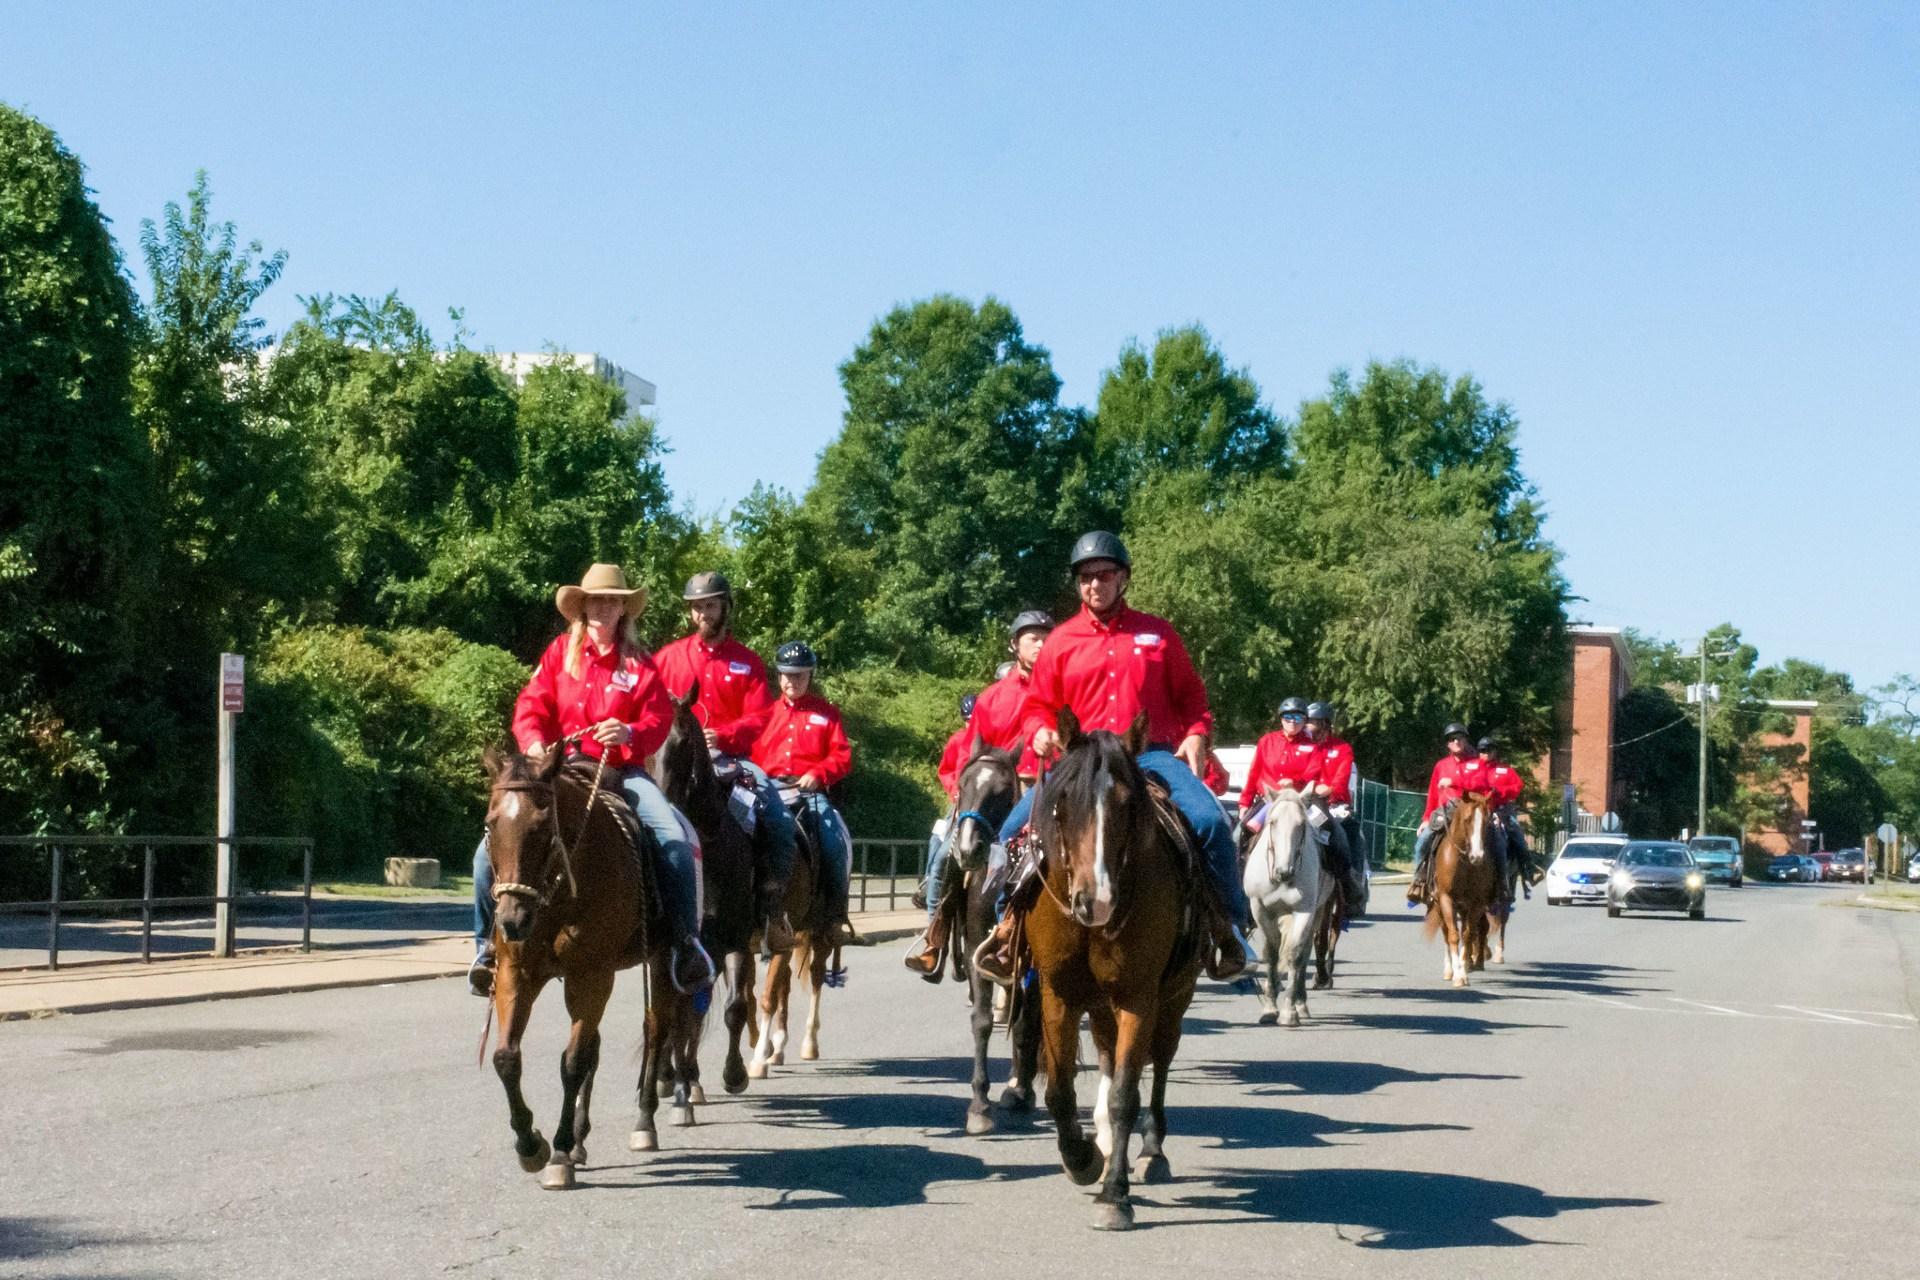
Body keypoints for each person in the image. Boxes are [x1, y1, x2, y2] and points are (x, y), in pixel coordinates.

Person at [974, 531, 1252, 984]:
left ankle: (1228, 929)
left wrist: (1198, 733)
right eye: (1085, 578)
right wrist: (1038, 731)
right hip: (1079, 763)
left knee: (1210, 822)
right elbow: (1037, 706)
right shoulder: (1061, 641)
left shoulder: (1159, 635)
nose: (1094, 585)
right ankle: (1007, 933)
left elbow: (1193, 699)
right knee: (1008, 833)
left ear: (1123, 578)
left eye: (1104, 575)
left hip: (1149, 757)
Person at [470, 563, 713, 997]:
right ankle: (487, 949)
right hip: (558, 772)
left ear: (624, 610)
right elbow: (530, 708)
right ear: (582, 608)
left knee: (674, 839)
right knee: (485, 853)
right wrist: (533, 744)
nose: (604, 607)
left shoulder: (640, 665)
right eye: (596, 600)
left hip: (622, 771)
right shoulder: (558, 655)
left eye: (613, 600)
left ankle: (683, 944)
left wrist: (630, 733)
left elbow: (658, 718)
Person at [653, 571, 799, 951]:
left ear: (725, 608)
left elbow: (760, 717)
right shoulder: (667, 658)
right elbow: (648, 708)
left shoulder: (746, 661)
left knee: (779, 821)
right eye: (697, 607)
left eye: (711, 606)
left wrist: (725, 735)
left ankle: (769, 909)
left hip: (732, 759)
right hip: (676, 760)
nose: (704, 613)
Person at [905, 611, 1054, 974]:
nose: (1040, 643)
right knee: (946, 856)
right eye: (1032, 637)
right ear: (1014, 645)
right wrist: (964, 791)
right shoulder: (992, 699)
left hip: (1048, 786)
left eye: (1046, 636)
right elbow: (967, 756)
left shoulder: (1063, 690)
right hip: (993, 795)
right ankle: (935, 938)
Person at [750, 641, 857, 948]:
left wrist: (818, 774)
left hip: (807, 791)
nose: (791, 681)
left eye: (798, 675)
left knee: (833, 838)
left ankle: (835, 916)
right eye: (785, 674)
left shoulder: (827, 714)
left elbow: (842, 756)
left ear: (810, 675)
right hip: (766, 790)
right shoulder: (764, 713)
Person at [1407, 722, 1494, 905]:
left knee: (1498, 841)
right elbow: (1432, 794)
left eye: (1460, 738)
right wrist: (1425, 819)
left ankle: (1501, 886)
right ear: (1448, 744)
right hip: (1445, 811)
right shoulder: (1441, 766)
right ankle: (1419, 882)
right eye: (1452, 739)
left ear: (1465, 740)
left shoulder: (1476, 764)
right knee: (1422, 842)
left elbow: (1480, 784)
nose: (1456, 741)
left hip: (1470, 808)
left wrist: (1454, 781)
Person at [1306, 701, 1370, 907]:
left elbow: (1342, 780)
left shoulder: (1342, 748)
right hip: (1305, 801)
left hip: (1335, 804)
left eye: (1311, 722)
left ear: (1324, 724)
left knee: (1351, 835)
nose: (1307, 726)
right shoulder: (1304, 747)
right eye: (1306, 722)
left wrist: (1330, 788)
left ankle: (1353, 882)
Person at [1238, 696, 1323, 817]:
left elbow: (1313, 773)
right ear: (1281, 719)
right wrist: (1244, 803)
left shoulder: (1313, 746)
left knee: (1325, 827)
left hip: (1299, 802)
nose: (1293, 722)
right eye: (1288, 717)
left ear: (1305, 721)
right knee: (1242, 830)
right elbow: (1254, 774)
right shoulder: (1267, 741)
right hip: (1269, 801)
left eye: (1298, 717)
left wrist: (1295, 783)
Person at [1480, 736, 1538, 897]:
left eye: (1489, 750)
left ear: (1495, 752)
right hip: (1478, 809)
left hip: (1502, 810)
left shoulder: (1505, 770)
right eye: (1482, 750)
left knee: (1518, 836)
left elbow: (1517, 786)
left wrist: (1501, 791)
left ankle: (1528, 871)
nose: (1485, 754)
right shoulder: (1473, 769)